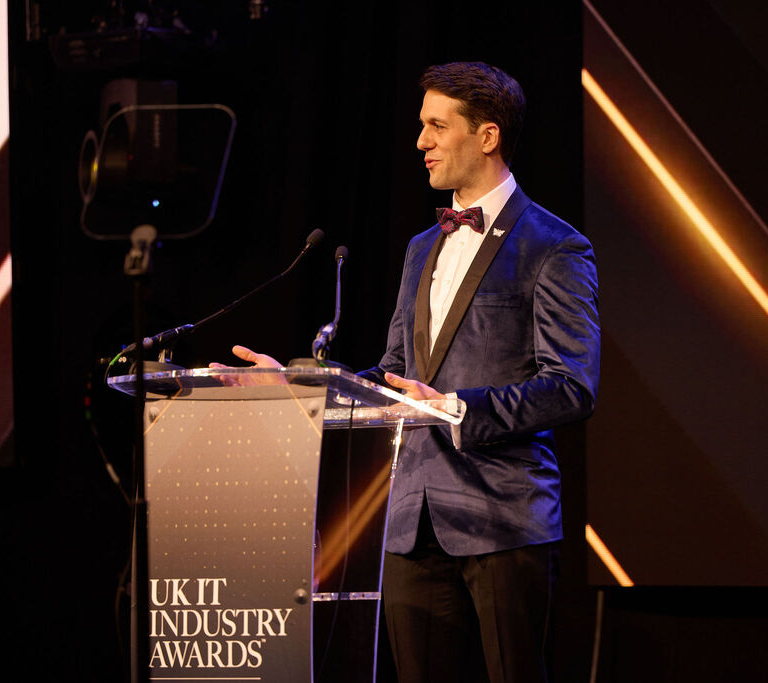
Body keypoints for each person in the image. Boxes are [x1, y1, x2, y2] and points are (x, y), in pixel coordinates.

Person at [219, 62, 600, 682]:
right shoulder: (422, 247)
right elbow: (393, 375)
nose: (420, 141)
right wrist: (298, 385)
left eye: (436, 126)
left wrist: (456, 408)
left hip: (505, 517)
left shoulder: (553, 246)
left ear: (487, 135)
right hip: (411, 520)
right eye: (422, 125)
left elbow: (571, 386)